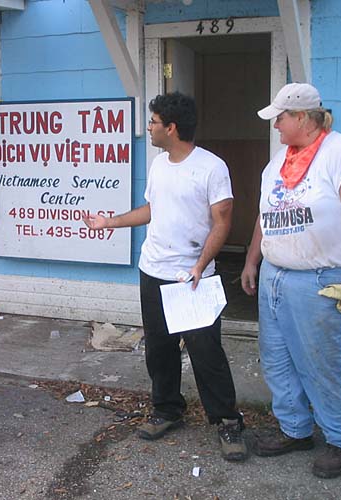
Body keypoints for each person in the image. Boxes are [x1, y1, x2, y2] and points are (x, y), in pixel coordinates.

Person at [85, 92, 248, 462]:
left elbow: (223, 222)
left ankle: (227, 421)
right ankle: (168, 409)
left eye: (154, 122)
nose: (149, 128)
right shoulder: (159, 165)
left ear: (171, 128)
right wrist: (109, 222)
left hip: (193, 278)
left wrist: (200, 264)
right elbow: (152, 209)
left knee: (206, 352)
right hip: (153, 270)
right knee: (159, 349)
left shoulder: (212, 167)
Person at [241, 83, 341, 478]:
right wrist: (252, 260)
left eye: (280, 118)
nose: (275, 126)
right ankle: (295, 429)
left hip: (322, 280)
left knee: (326, 363)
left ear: (303, 118)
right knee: (278, 359)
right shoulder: (278, 161)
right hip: (275, 275)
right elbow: (266, 215)